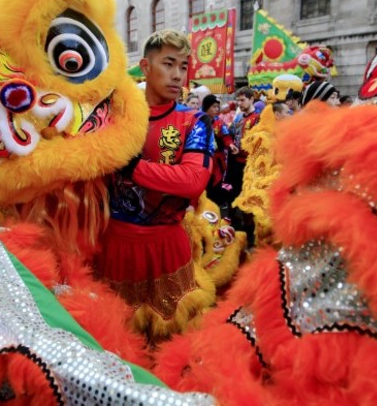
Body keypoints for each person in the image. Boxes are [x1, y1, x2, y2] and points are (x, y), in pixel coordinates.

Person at [95, 29, 216, 340]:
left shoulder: (195, 122)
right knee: (116, 335)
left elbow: (193, 181)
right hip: (114, 245)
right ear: (145, 67)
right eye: (168, 64)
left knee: (172, 336)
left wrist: (131, 165)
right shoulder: (111, 116)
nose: (178, 75)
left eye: (184, 66)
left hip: (167, 246)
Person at [224, 86, 261, 246]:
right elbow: (229, 134)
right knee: (233, 196)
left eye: (243, 100)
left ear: (252, 99)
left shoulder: (258, 118)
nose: (239, 103)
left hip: (250, 166)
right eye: (238, 100)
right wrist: (231, 144)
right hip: (235, 165)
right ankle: (233, 228)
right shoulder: (238, 119)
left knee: (249, 200)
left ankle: (251, 234)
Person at [202, 94, 232, 207]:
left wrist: (230, 145)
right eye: (213, 106)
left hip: (217, 159)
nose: (216, 109)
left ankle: (215, 207)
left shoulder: (219, 122)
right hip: (203, 159)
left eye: (217, 107)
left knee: (216, 182)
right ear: (206, 107)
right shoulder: (199, 121)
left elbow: (226, 136)